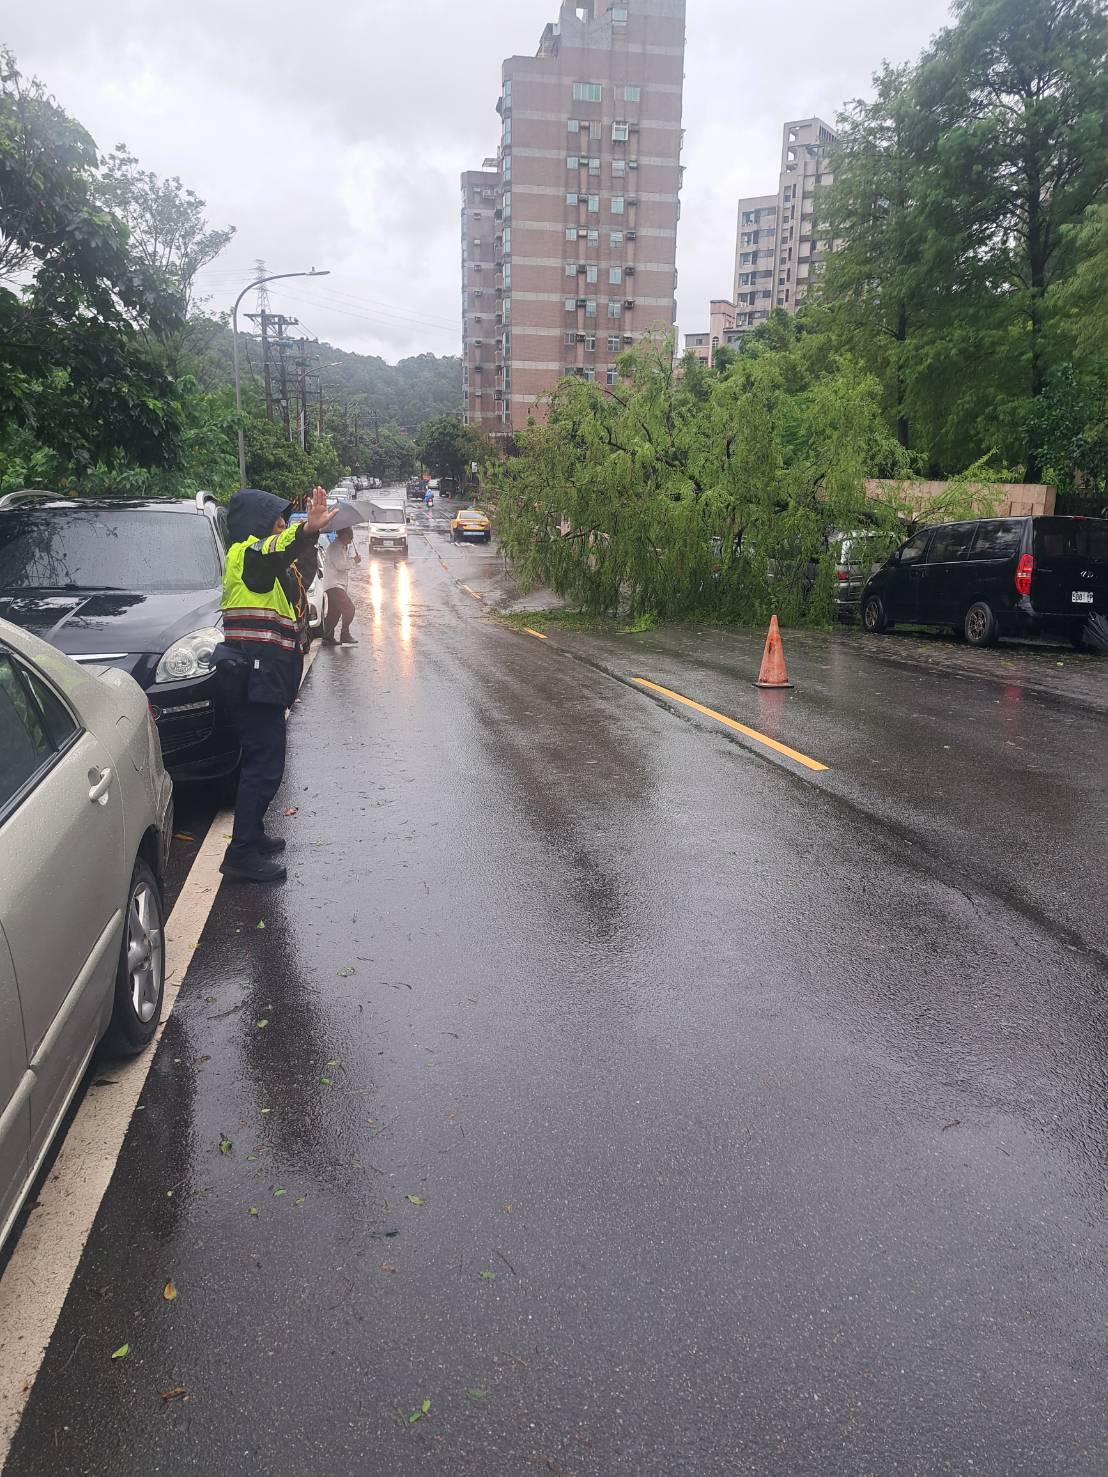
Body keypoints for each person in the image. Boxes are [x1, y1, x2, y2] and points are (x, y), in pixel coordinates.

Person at [216, 484, 336, 884]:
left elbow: (296, 581)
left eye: (286, 520)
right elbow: (275, 549)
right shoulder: (249, 555)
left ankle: (253, 834)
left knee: (259, 761)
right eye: (277, 520)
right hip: (255, 676)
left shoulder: (262, 567)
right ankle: (241, 853)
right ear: (257, 523)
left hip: (262, 675)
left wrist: (307, 542)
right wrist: (306, 530)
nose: (283, 524)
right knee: (265, 766)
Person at [321, 526, 361, 645]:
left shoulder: (340, 547)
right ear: (344, 535)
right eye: (350, 537)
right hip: (334, 585)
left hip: (334, 584)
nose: (351, 540)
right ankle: (345, 634)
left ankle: (327, 637)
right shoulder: (336, 547)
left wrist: (352, 560)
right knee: (349, 608)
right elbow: (341, 565)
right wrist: (354, 561)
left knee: (334, 612)